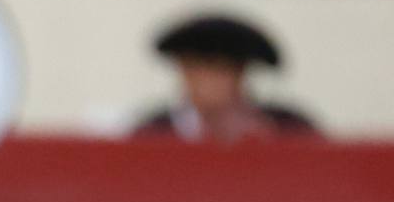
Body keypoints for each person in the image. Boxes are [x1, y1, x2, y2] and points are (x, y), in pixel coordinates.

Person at [133, 12, 320, 141]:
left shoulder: (286, 127)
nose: (210, 81)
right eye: (198, 67)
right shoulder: (154, 131)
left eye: (221, 69)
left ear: (240, 74)